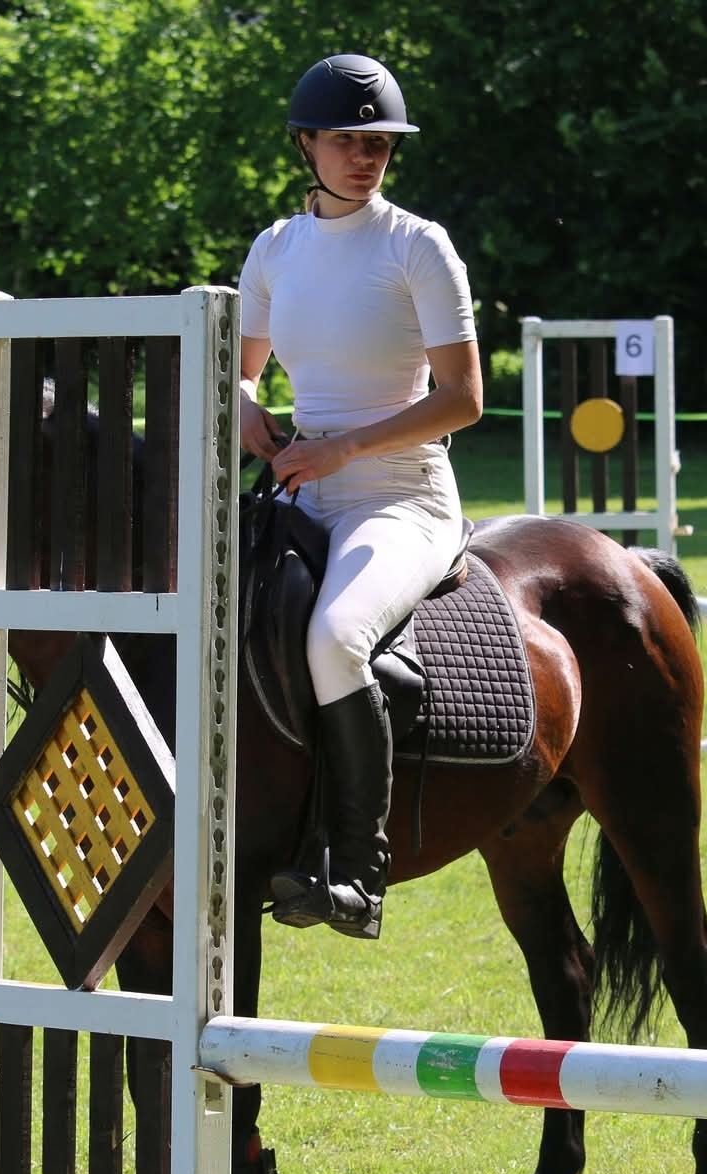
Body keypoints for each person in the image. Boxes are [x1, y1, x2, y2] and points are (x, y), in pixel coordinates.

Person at [236, 52, 482, 941]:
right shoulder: (275, 249)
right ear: (306, 144)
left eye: (379, 141)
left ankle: (358, 874)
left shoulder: (418, 245)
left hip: (403, 496)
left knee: (337, 636)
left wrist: (340, 446)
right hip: (305, 496)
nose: (367, 155)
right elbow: (238, 373)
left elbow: (464, 398)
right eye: (347, 139)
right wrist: (249, 417)